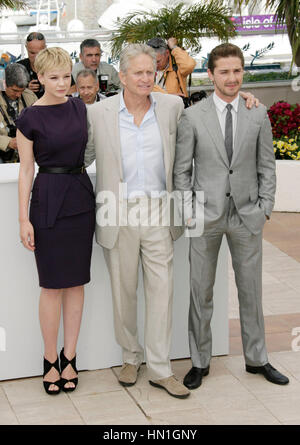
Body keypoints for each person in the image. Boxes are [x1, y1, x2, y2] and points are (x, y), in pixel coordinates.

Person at [173, 43, 289, 390]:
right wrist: (188, 212)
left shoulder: (257, 113)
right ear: (210, 75)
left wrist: (264, 207)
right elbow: (182, 172)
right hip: (203, 218)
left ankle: (257, 358)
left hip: (247, 216)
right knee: (200, 292)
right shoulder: (193, 116)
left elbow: (267, 166)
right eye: (224, 71)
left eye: (237, 71)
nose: (232, 78)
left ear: (243, 73)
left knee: (250, 290)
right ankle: (199, 361)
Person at [84, 43, 190, 399]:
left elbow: (197, 138)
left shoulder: (173, 107)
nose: (147, 78)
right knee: (123, 291)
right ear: (123, 76)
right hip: (118, 210)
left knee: (162, 291)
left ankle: (161, 368)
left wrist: (247, 101)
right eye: (139, 72)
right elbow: (80, 156)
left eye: (151, 72)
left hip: (160, 209)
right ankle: (131, 357)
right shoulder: (99, 113)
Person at [16, 47, 95, 395]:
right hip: (47, 199)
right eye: (54, 77)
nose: (62, 83)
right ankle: (49, 359)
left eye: (67, 76)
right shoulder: (29, 118)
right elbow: (25, 170)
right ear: (40, 77)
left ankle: (71, 356)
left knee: (76, 282)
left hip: (79, 197)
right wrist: (23, 218)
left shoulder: (81, 107)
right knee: (51, 286)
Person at [0, 64, 37, 163]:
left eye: (22, 90)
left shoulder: (30, 96)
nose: (18, 95)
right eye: (15, 90)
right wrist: (8, 142)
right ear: (4, 84)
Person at [17, 32, 46, 99]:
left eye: (40, 53)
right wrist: (25, 90)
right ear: (26, 48)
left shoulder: (55, 65)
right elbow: (7, 91)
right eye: (32, 53)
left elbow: (72, 89)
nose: (36, 57)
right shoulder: (18, 68)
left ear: (45, 48)